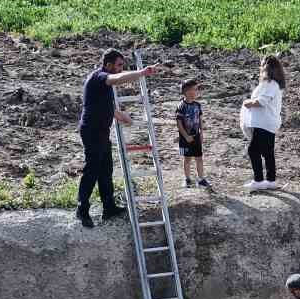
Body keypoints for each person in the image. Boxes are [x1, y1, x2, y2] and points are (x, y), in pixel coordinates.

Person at [77, 49, 159, 228]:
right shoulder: (99, 77)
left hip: (101, 132)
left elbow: (104, 106)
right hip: (91, 131)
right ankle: (82, 210)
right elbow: (116, 79)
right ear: (108, 65)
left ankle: (109, 207)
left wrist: (121, 116)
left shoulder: (103, 84)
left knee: (105, 170)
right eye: (119, 65)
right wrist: (142, 73)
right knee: (92, 170)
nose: (121, 69)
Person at [242, 55, 286, 191]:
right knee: (267, 152)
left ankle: (259, 180)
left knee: (253, 150)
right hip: (266, 123)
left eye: (262, 65)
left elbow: (261, 101)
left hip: (264, 123)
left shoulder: (270, 84)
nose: (260, 68)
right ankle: (271, 180)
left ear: (267, 68)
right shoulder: (273, 84)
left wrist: (247, 102)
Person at [176, 78, 210, 189]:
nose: (197, 92)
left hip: (196, 136)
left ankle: (201, 179)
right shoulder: (181, 106)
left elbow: (200, 120)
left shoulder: (197, 105)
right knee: (187, 159)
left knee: (199, 158)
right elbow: (179, 123)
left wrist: (201, 133)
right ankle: (187, 179)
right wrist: (186, 136)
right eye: (195, 89)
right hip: (185, 138)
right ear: (187, 91)